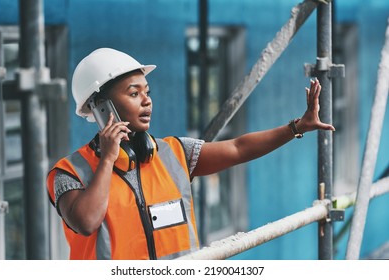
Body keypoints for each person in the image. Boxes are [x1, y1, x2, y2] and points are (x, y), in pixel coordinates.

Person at [46, 47, 335, 260]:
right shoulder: (68, 173)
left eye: (147, 91)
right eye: (134, 94)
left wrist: (297, 126)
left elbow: (237, 148)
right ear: (100, 108)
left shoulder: (174, 153)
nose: (147, 101)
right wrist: (108, 158)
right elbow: (86, 222)